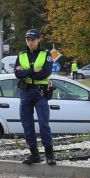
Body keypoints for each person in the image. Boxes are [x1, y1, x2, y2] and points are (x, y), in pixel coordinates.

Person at [16, 28, 56, 165]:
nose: (30, 42)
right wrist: (33, 70)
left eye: (33, 39)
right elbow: (17, 74)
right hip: (25, 92)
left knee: (44, 124)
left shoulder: (46, 54)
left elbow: (44, 73)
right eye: (28, 39)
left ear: (39, 40)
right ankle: (34, 154)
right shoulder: (21, 55)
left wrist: (25, 72)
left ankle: (49, 154)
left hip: (40, 92)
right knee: (27, 124)